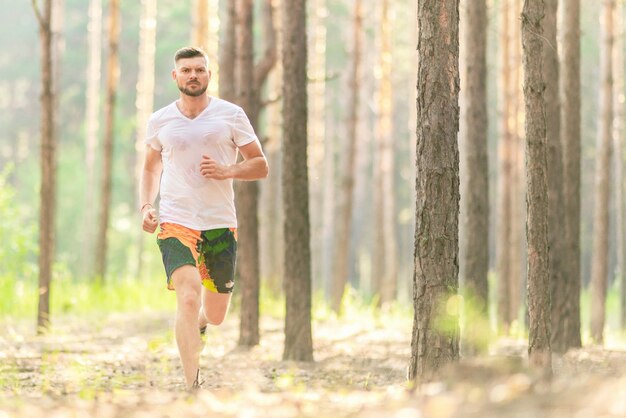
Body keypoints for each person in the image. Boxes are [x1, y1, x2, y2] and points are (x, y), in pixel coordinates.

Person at [139, 46, 268, 389]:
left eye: (199, 70)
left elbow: (261, 165)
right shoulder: (161, 119)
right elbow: (151, 167)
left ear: (209, 75)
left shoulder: (231, 115)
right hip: (175, 220)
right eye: (186, 70)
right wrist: (146, 205)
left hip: (219, 224)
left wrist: (228, 170)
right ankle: (191, 385)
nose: (193, 75)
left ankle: (200, 324)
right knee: (188, 294)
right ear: (175, 76)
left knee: (215, 314)